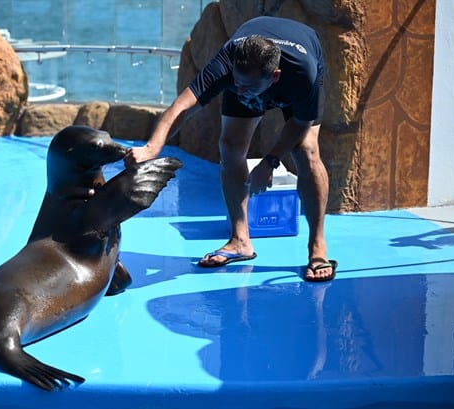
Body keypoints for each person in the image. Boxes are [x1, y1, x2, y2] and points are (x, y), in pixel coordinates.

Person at [124, 16, 337, 282]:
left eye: (246, 86)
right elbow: (181, 107)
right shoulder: (229, 64)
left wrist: (270, 161)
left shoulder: (302, 72)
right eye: (236, 83)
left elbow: (301, 123)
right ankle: (240, 240)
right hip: (250, 70)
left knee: (306, 151)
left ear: (275, 76)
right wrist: (151, 148)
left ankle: (317, 245)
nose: (239, 90)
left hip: (300, 63)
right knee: (230, 146)